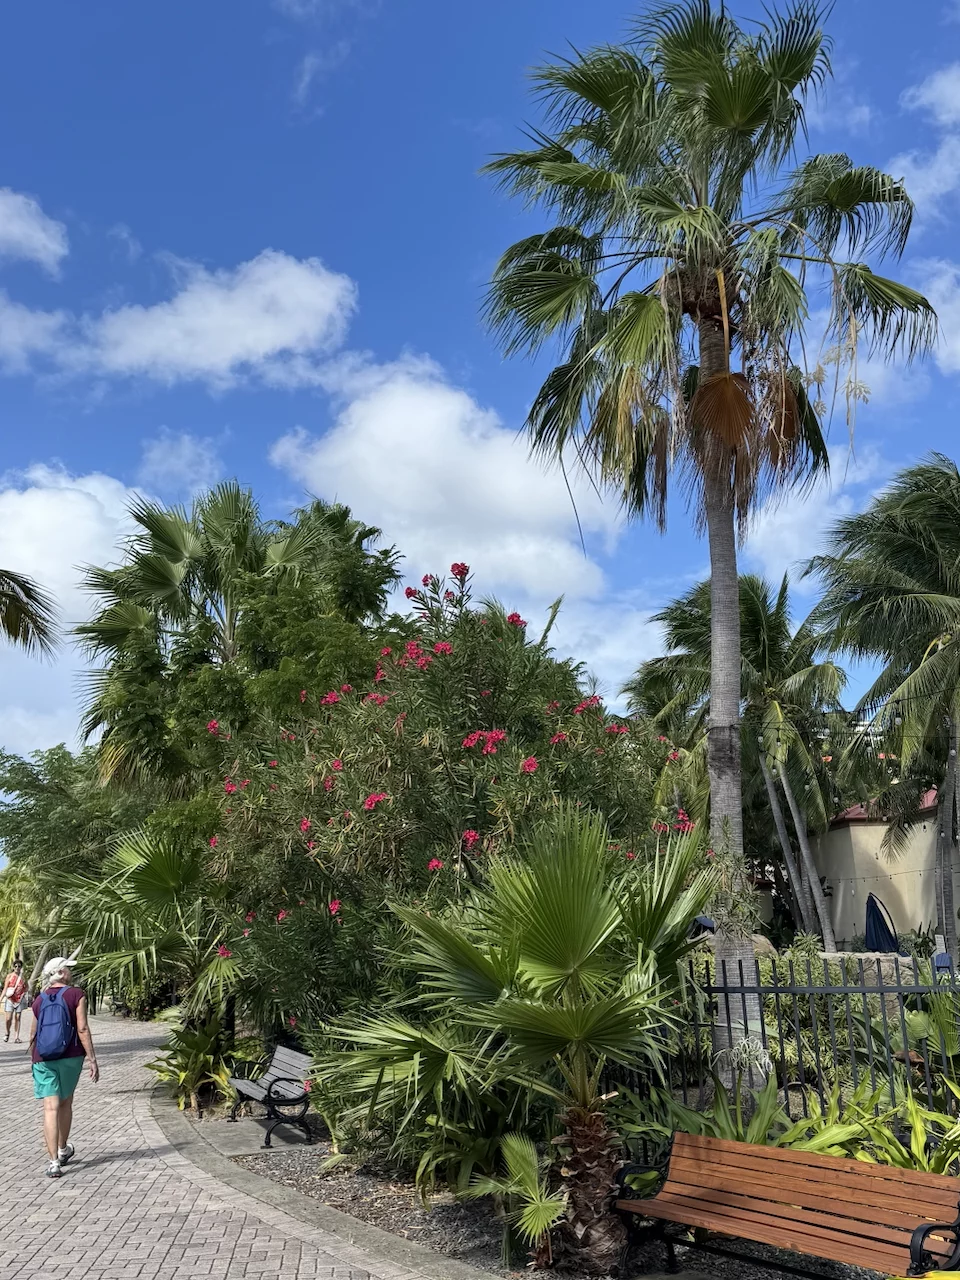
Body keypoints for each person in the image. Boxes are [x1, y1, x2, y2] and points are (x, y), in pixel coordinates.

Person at [29, 957, 100, 1178]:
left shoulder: (39, 999)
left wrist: (34, 1059)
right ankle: (62, 1150)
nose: (70, 972)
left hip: (43, 1058)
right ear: (60, 972)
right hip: (70, 1057)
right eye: (68, 968)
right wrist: (92, 1059)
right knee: (65, 1102)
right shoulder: (76, 994)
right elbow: (83, 1028)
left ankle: (53, 1164)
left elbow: (33, 1033)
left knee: (50, 1108)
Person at [3, 959, 28, 1043]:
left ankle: (16, 1037)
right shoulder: (9, 976)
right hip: (10, 999)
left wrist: (23, 992)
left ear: (21, 967)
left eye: (19, 966)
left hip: (19, 1000)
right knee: (8, 1018)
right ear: (13, 967)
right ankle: (7, 1033)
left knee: (18, 1017)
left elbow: (27, 986)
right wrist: (1, 998)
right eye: (15, 966)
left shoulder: (23, 977)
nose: (17, 968)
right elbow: (5, 989)